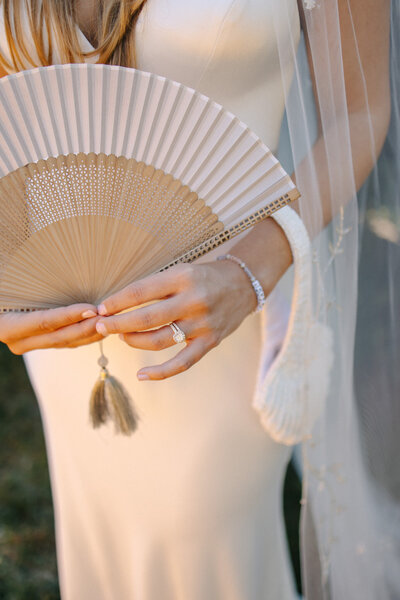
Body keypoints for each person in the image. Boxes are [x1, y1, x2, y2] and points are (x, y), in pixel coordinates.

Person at [0, 1, 398, 598]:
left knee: (211, 560)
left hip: (217, 326)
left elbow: (360, 112)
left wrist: (247, 274)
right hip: (60, 326)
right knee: (104, 546)